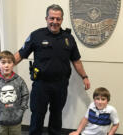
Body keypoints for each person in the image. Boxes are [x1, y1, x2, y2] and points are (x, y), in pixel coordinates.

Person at [14, 4, 90, 135]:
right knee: (37, 115)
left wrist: (84, 76)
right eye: (52, 18)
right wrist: (6, 66)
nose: (55, 22)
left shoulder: (69, 38)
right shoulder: (36, 35)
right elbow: (20, 54)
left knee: (56, 115)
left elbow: (76, 60)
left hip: (60, 85)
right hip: (41, 85)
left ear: (62, 19)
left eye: (58, 19)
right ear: (46, 18)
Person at [0, 50, 29, 135]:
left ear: (13, 64)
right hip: (0, 122)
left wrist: (21, 111)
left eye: (9, 62)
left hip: (16, 121)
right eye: (3, 62)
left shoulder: (19, 81)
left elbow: (25, 95)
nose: (6, 65)